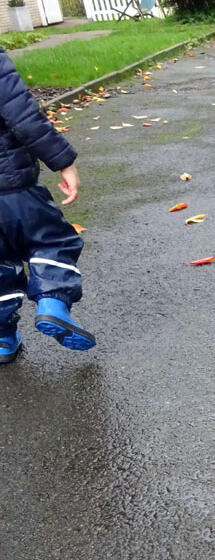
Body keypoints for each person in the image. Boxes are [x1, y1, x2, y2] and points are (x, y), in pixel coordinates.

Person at [0, 48, 95, 363]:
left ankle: (3, 339)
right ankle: (52, 301)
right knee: (52, 240)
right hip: (14, 188)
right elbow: (23, 116)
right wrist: (63, 161)